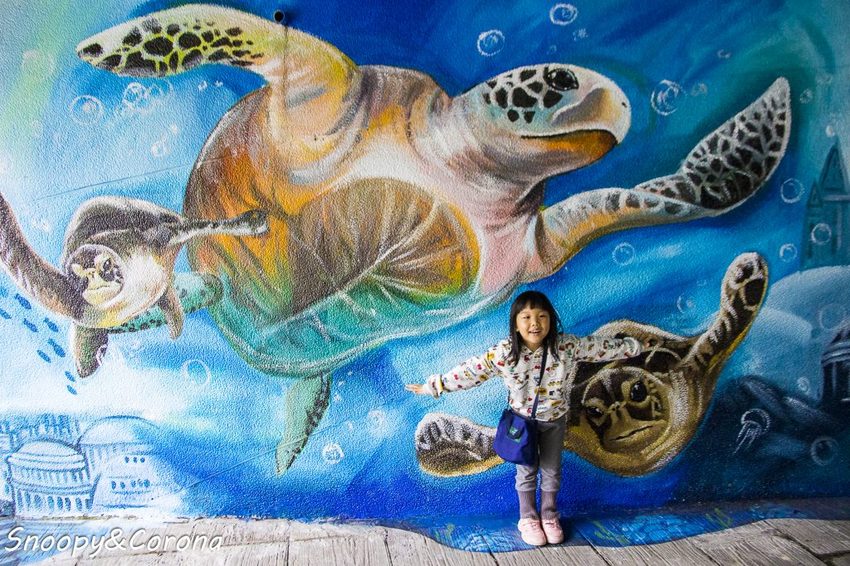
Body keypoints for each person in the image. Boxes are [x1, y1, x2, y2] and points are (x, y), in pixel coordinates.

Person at [406, 290, 642, 546]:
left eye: (542, 316)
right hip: (521, 425)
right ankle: (528, 519)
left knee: (552, 471)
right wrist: (436, 385)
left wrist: (633, 347)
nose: (535, 323)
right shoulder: (505, 353)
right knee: (527, 472)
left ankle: (550, 516)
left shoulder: (566, 346)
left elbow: (599, 348)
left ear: (551, 320)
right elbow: (471, 371)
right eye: (526, 317)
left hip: (555, 421)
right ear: (516, 324)